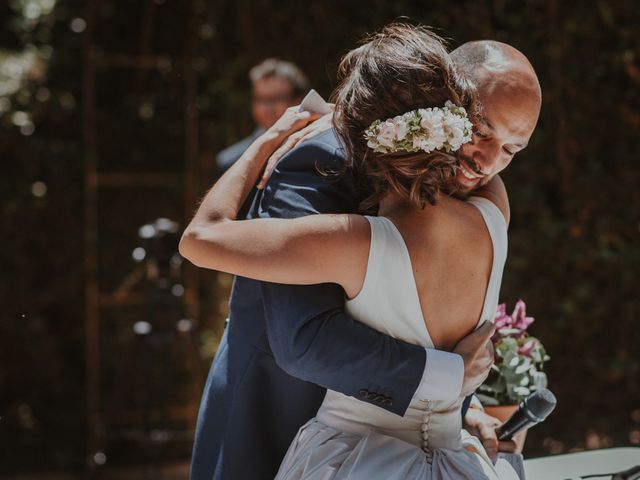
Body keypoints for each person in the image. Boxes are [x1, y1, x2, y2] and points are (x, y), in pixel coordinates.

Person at [181, 24, 541, 479]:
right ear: (447, 102)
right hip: (273, 415)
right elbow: (303, 340)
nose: (488, 162)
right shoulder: (319, 161)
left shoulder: (474, 189)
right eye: (482, 129)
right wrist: (446, 382)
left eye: (511, 148)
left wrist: (451, 409)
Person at [216, 58, 310, 173]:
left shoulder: (315, 150)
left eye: (276, 98)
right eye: (260, 99)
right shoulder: (230, 161)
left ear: (298, 101)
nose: (266, 108)